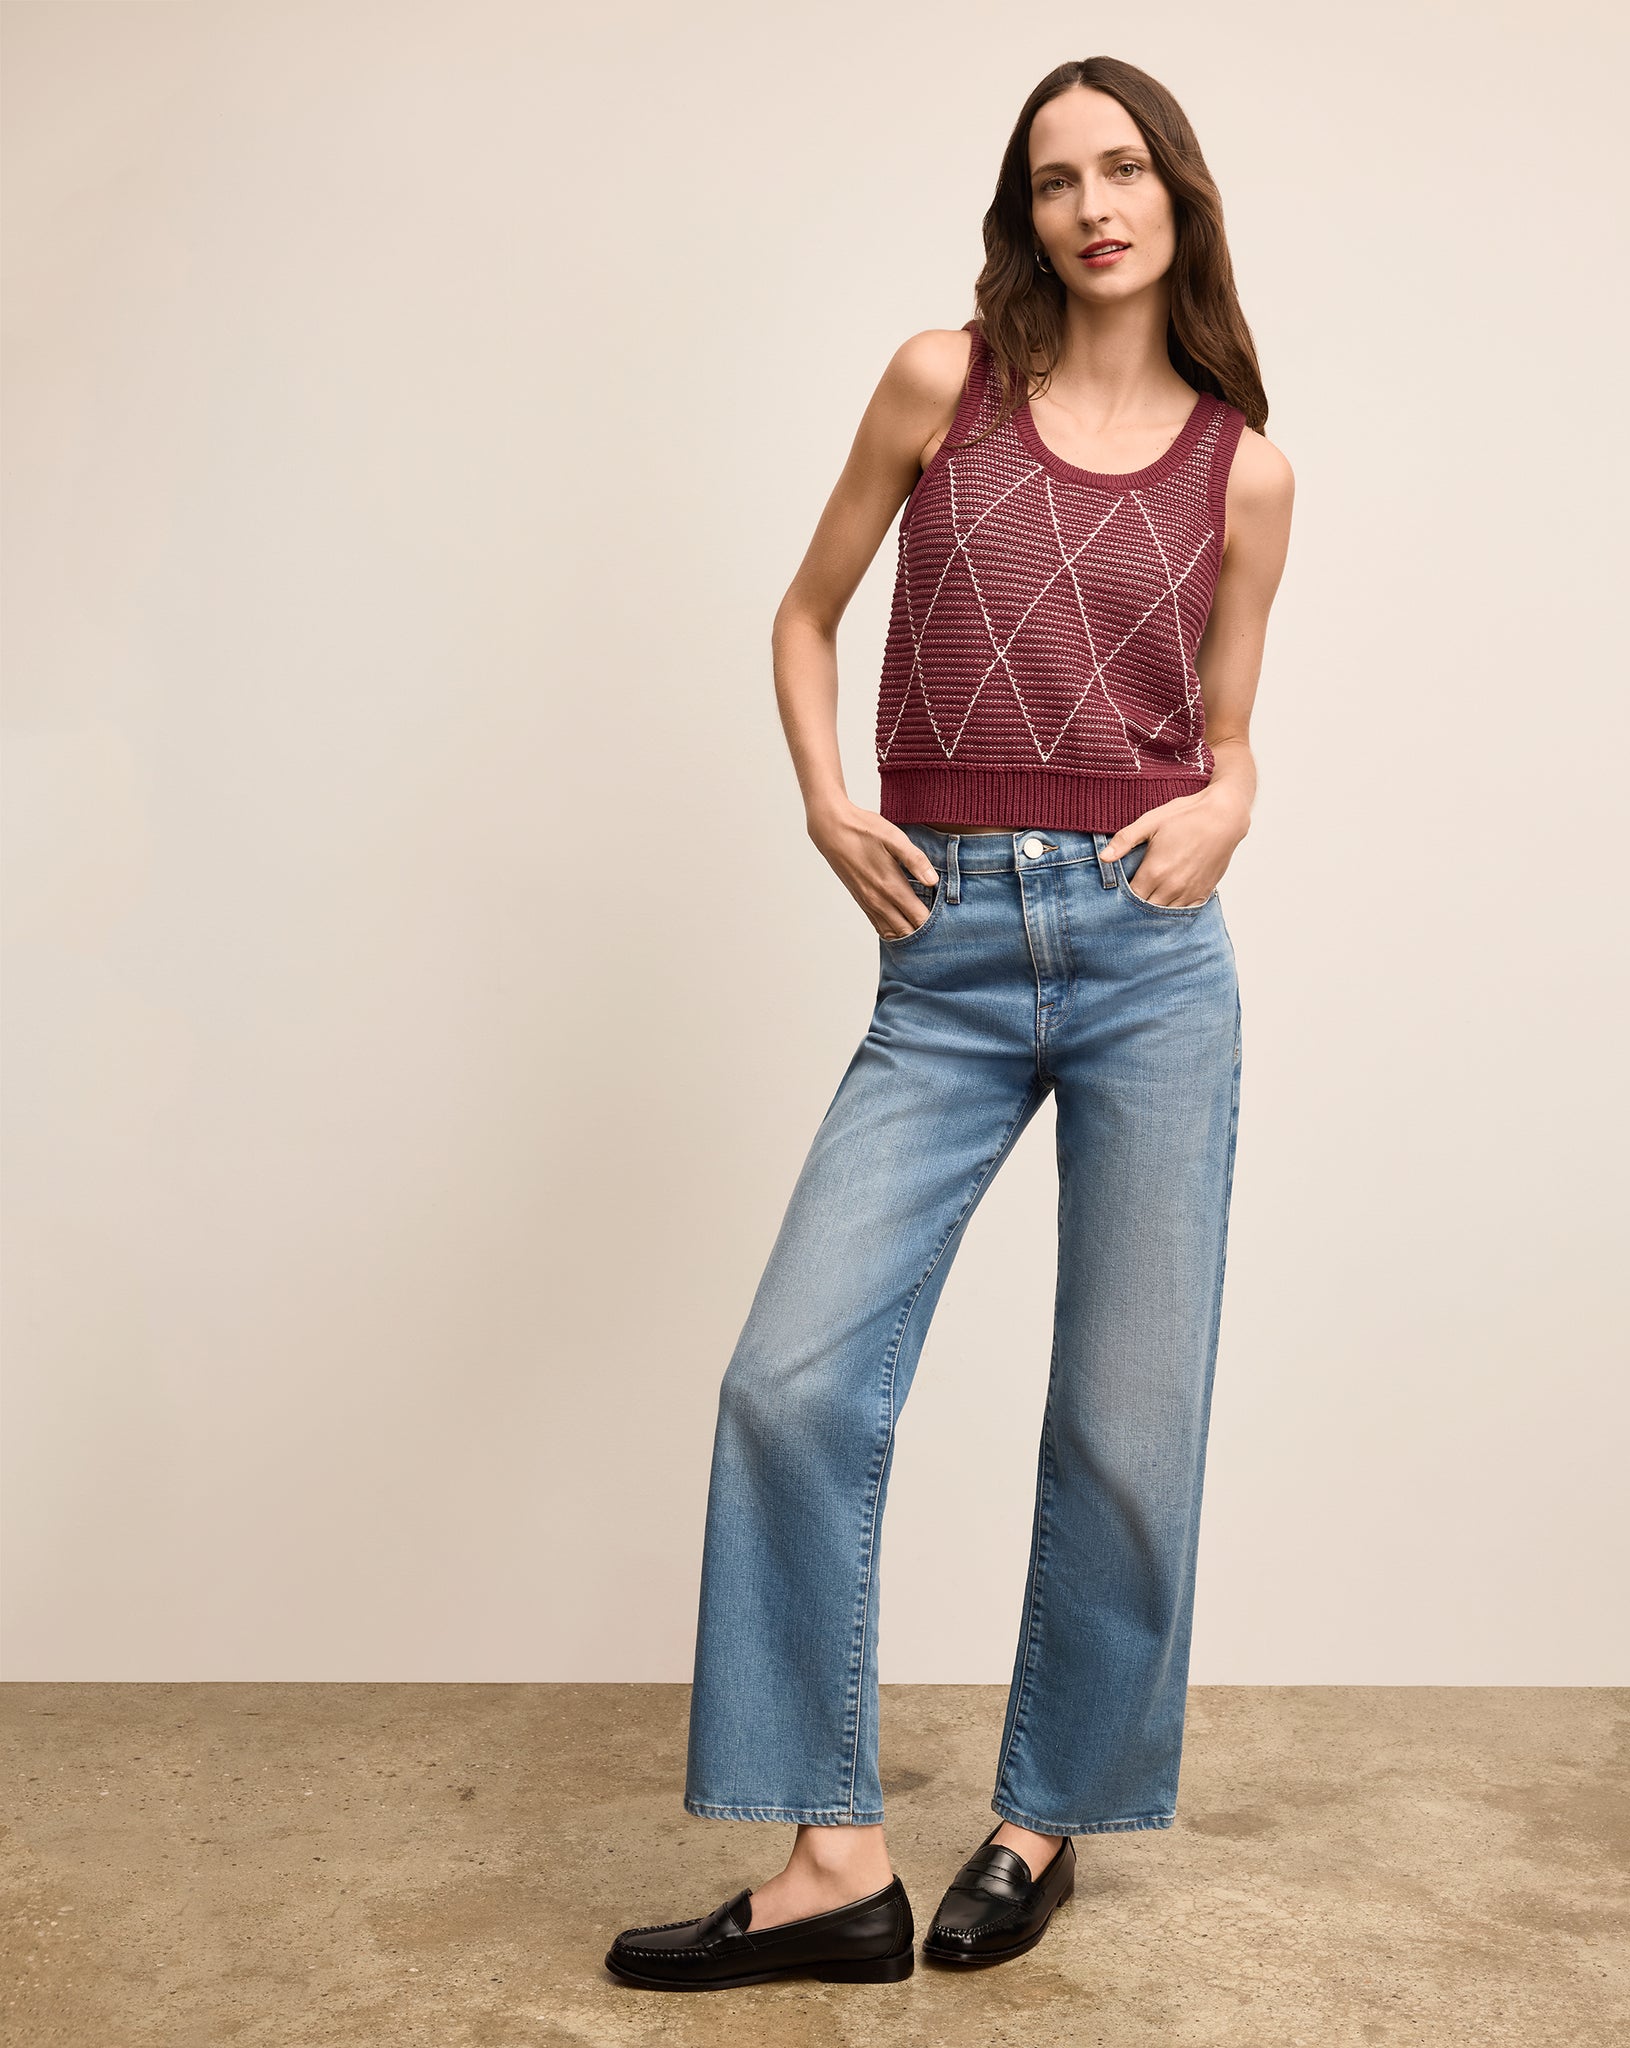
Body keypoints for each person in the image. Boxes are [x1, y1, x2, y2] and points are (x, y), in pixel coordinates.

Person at [605, 53, 1294, 1994]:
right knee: (792, 1380)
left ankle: (1041, 1819)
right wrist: (832, 805)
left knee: (1130, 1423)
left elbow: (1231, 733)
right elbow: (805, 611)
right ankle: (831, 1864)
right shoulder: (943, 384)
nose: (1094, 205)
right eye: (1057, 177)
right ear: (1026, 211)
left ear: (1177, 196)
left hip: (1153, 957)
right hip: (954, 947)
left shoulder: (1245, 468)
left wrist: (1232, 804)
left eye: (1125, 168)